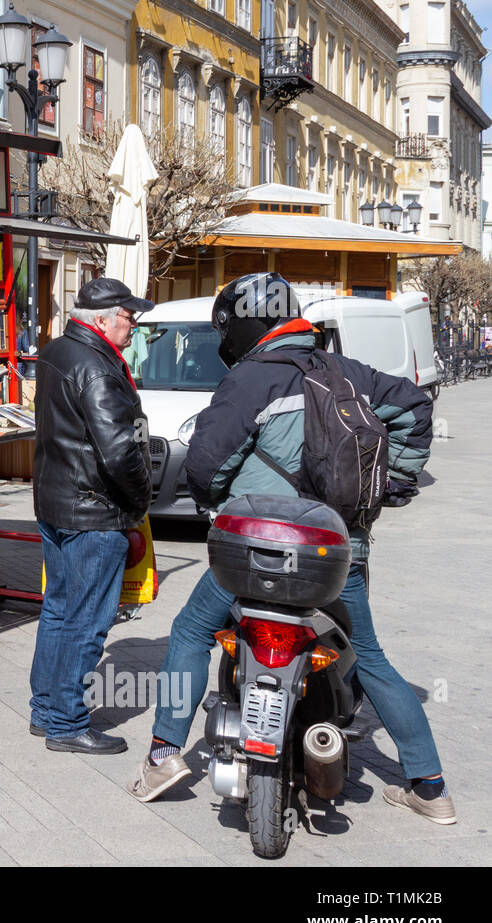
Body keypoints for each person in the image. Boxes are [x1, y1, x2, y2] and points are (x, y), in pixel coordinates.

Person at [126, 272, 454, 825]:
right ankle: (431, 787)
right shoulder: (348, 372)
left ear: (244, 328)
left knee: (190, 630)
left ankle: (164, 755)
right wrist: (392, 485)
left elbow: (206, 464)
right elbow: (417, 408)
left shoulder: (251, 380)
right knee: (370, 658)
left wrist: (216, 504)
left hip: (253, 553)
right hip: (334, 552)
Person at [30, 277, 153, 755]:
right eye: (128, 317)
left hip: (57, 503)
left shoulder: (57, 351)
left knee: (59, 612)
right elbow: (119, 451)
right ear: (101, 320)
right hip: (93, 512)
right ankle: (65, 721)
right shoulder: (98, 368)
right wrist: (140, 501)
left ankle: (47, 709)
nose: (133, 325)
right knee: (86, 622)